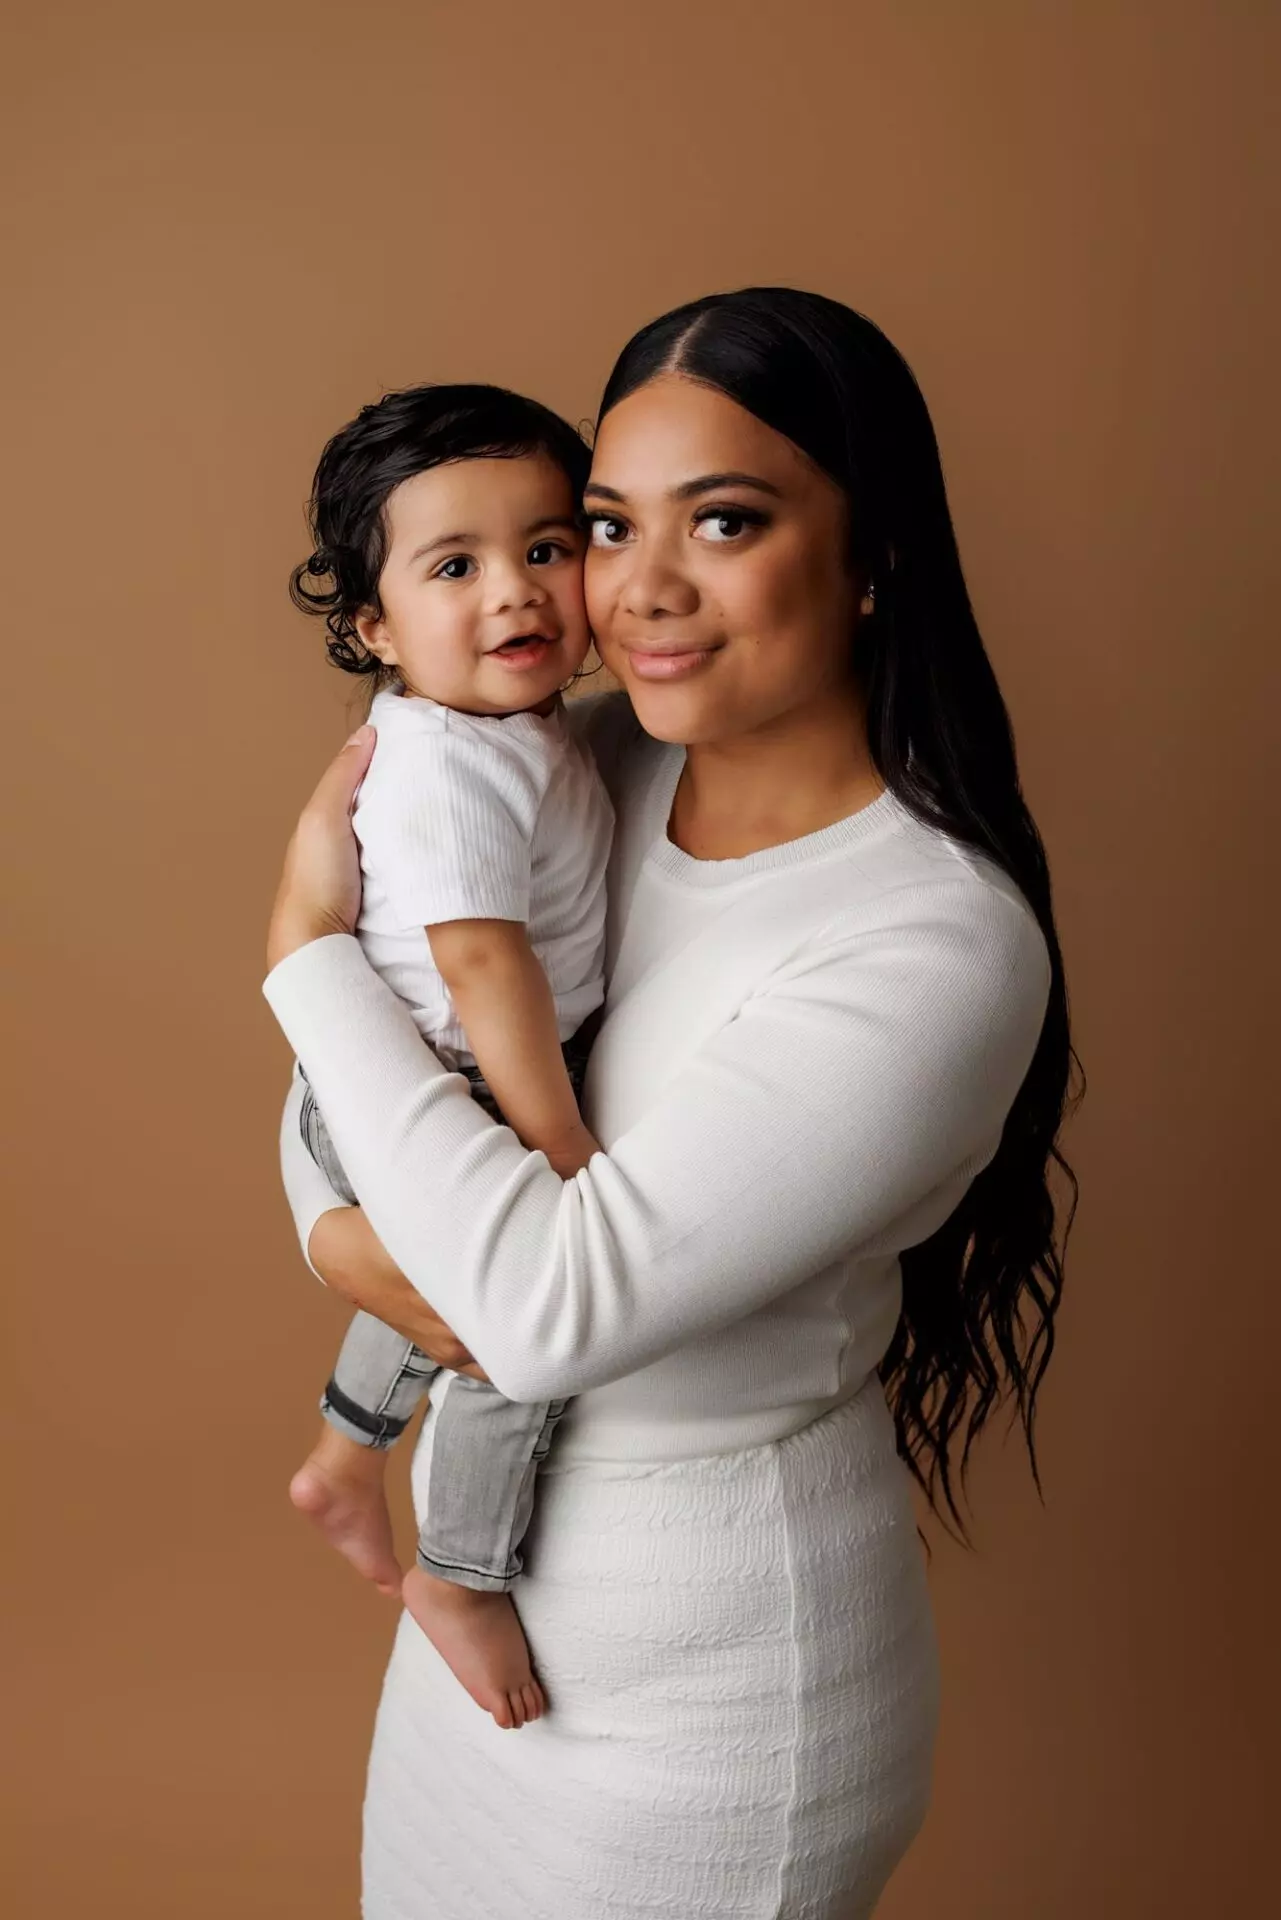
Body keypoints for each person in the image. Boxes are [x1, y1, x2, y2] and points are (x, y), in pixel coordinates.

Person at [264, 288, 1080, 1919]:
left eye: (723, 521)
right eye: (607, 525)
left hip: (699, 1697)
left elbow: (544, 1304)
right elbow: (361, 1106)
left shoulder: (932, 944)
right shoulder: (592, 763)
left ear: (871, 555)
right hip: (476, 1618)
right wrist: (348, 1237)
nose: (635, 591)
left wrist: (298, 956)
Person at [282, 384, 614, 1731]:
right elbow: (485, 965)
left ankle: (341, 1458)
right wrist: (558, 1145)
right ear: (374, 626)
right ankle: (462, 1574)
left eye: (547, 549)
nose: (517, 596)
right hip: (440, 1079)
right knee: (508, 1332)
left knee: (429, 1287)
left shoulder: (508, 734)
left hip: (411, 1073)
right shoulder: (451, 766)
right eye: (456, 567)